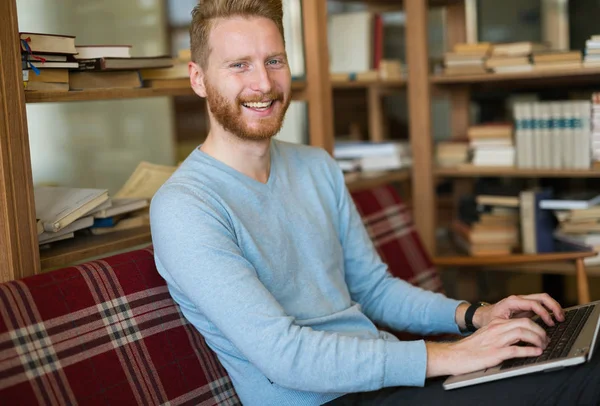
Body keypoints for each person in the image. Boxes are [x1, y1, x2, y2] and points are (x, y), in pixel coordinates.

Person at [149, 1, 600, 405]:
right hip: (325, 400)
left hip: (388, 380)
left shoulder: (315, 166)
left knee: (582, 348)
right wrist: (451, 355)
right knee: (584, 378)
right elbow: (285, 357)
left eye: (274, 60)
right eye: (239, 65)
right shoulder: (186, 207)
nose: (263, 83)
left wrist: (474, 316)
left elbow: (374, 290)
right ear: (198, 79)